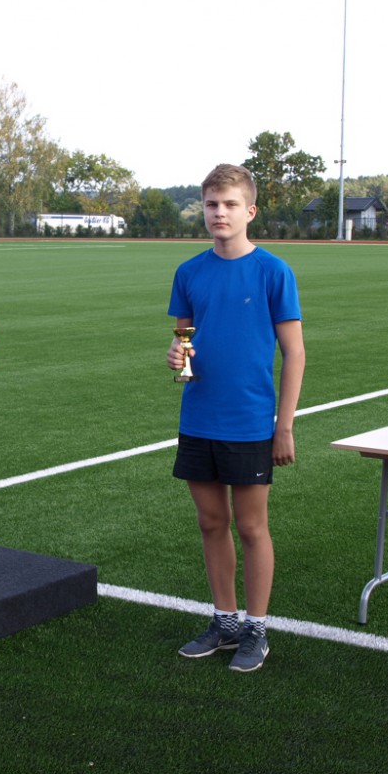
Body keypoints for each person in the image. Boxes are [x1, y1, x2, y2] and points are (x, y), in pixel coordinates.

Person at [166, 164, 305, 672]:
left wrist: (283, 425)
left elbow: (295, 353)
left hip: (250, 421)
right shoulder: (189, 272)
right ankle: (225, 621)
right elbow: (184, 341)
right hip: (199, 418)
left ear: (250, 211)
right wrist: (175, 356)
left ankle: (256, 628)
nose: (219, 213)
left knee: (251, 526)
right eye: (211, 204)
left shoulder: (273, 271)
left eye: (228, 204)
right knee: (211, 522)